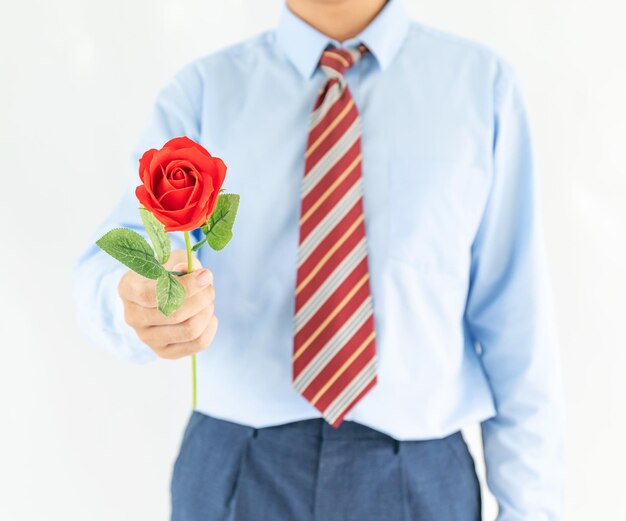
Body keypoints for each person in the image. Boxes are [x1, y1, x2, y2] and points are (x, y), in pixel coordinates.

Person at [73, 0, 565, 519]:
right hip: (237, 469)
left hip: (419, 477)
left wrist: (533, 509)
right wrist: (131, 301)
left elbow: (517, 326)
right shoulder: (203, 93)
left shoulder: (482, 89)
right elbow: (107, 262)